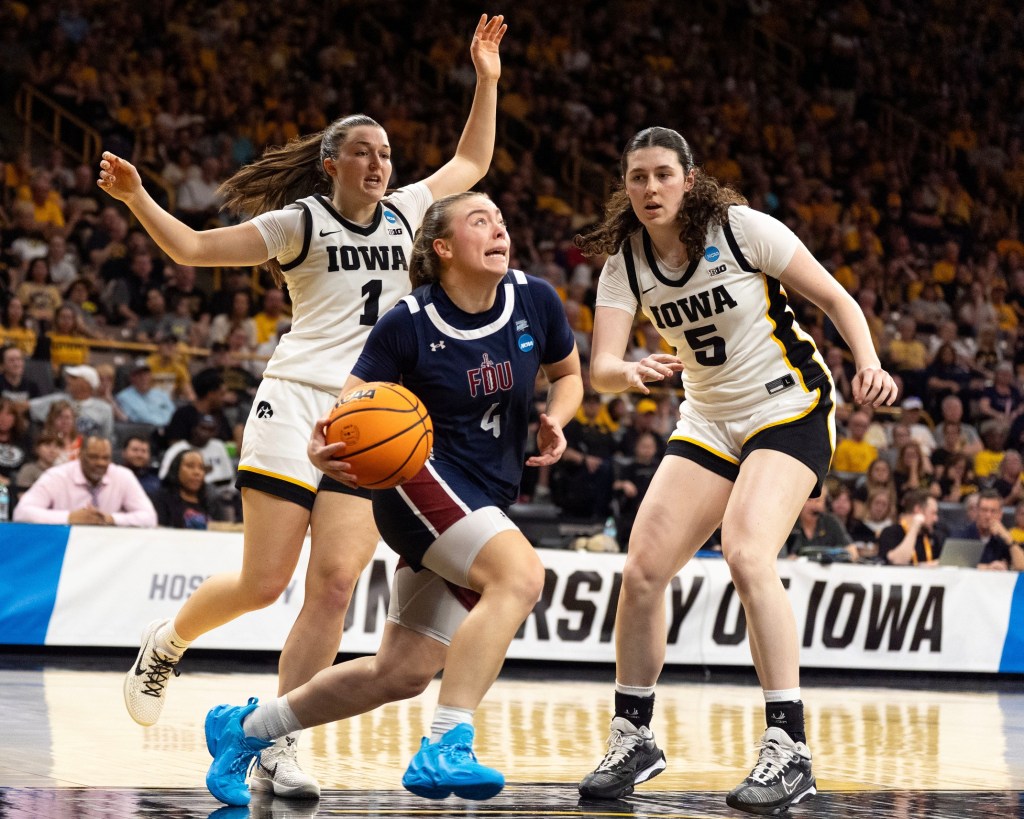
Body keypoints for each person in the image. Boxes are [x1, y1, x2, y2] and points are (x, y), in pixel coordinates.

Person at [103, 14, 507, 799]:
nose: (382, 163)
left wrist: (486, 80)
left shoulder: (409, 211)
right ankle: (168, 640)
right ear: (331, 163)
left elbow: (472, 158)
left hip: (368, 418)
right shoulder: (299, 222)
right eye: (365, 151)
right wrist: (138, 198)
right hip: (294, 406)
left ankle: (278, 741)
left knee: (331, 589)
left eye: (387, 153)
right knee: (264, 581)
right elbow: (190, 248)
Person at [200, 191, 583, 807]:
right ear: (442, 247)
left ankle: (245, 730)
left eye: (502, 221)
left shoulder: (534, 298)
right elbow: (347, 409)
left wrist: (557, 418)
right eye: (479, 221)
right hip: (418, 484)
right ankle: (446, 742)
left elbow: (568, 375)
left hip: (484, 498)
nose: (498, 229)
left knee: (400, 673)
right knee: (520, 577)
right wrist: (322, 449)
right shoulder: (409, 320)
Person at [573, 127, 897, 815]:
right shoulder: (626, 263)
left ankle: (791, 747)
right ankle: (633, 734)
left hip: (789, 407)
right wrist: (626, 373)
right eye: (638, 177)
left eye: (663, 174)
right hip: (709, 420)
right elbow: (601, 367)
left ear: (689, 179)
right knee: (642, 568)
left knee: (747, 551)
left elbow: (837, 299)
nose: (651, 188)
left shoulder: (741, 229)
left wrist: (867, 360)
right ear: (625, 187)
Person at [13, 434, 157, 527]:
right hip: (64, 546)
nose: (100, 463)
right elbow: (21, 513)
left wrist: (111, 519)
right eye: (93, 457)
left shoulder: (123, 476)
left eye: (105, 458)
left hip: (111, 549)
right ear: (81, 456)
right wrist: (70, 517)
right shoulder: (57, 476)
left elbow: (149, 518)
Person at [957, 488, 1023, 571]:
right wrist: (987, 567)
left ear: (1000, 514)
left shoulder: (1002, 538)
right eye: (984, 510)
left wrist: (1008, 538)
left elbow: (1022, 566)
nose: (988, 516)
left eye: (993, 511)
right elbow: (951, 564)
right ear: (977, 512)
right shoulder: (962, 534)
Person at [149, 448, 214, 530]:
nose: (197, 472)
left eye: (201, 468)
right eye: (190, 466)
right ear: (176, 469)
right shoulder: (161, 498)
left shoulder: (210, 500)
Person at [876, 489, 943, 566]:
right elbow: (898, 561)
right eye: (933, 513)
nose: (936, 518)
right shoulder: (891, 532)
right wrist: (915, 527)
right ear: (918, 510)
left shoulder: (931, 537)